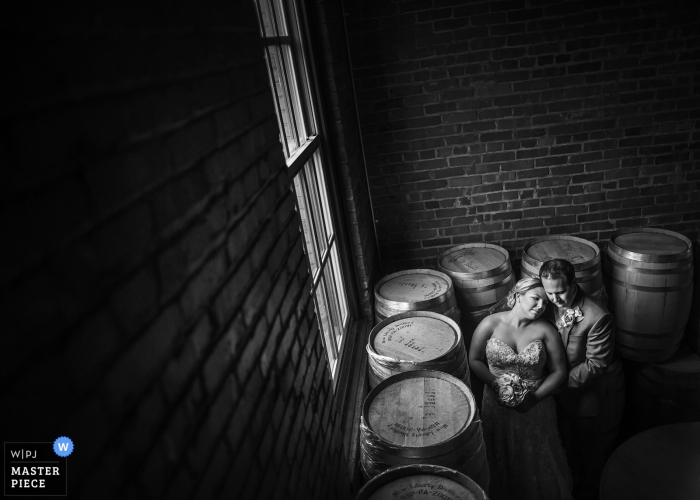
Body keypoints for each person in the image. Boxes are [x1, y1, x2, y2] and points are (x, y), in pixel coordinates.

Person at [469, 277, 573, 500]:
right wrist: (497, 385)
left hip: (536, 406)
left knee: (535, 456)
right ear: (517, 296)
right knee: (499, 453)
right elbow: (475, 359)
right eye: (536, 299)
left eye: (545, 303)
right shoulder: (490, 324)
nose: (541, 306)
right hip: (496, 404)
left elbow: (559, 372)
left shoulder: (546, 330)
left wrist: (534, 399)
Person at [539, 259, 623, 500]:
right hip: (550, 398)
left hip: (582, 400)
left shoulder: (598, 316)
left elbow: (595, 365)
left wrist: (554, 383)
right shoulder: (545, 303)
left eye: (560, 291)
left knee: (586, 458)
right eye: (549, 292)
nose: (554, 299)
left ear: (574, 284)